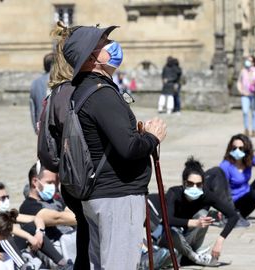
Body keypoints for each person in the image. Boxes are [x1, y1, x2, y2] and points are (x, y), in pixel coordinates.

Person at [62, 24, 167, 269]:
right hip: (117, 196)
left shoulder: (84, 90)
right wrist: (153, 137)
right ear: (91, 58)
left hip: (102, 193)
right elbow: (129, 148)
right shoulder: (102, 94)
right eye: (105, 42)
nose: (112, 44)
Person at [41, 21, 91, 269]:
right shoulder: (72, 92)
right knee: (90, 240)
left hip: (69, 179)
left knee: (84, 236)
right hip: (84, 177)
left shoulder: (56, 92)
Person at [161, 157, 239, 266]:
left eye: (198, 184)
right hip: (170, 241)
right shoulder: (174, 193)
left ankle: (187, 255)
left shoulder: (205, 195)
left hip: (188, 240)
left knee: (203, 214)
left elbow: (233, 216)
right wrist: (194, 222)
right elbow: (167, 220)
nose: (194, 187)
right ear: (184, 183)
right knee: (173, 232)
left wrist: (220, 241)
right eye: (190, 183)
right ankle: (194, 257)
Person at [19, 163, 76, 269]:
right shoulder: (28, 206)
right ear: (35, 182)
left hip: (70, 244)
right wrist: (85, 218)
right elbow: (58, 217)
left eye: (55, 183)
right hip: (55, 252)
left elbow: (71, 212)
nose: (53, 187)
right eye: (49, 182)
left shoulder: (56, 200)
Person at [30, 53, 54, 134]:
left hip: (40, 126)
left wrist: (36, 128)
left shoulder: (35, 83)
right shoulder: (58, 81)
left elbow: (33, 109)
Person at [237, 56, 255, 137]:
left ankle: (254, 130)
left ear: (253, 62)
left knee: (254, 113)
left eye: (250, 61)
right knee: (245, 111)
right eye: (247, 60)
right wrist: (240, 90)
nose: (248, 62)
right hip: (245, 94)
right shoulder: (243, 71)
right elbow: (239, 81)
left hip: (254, 95)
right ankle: (246, 129)